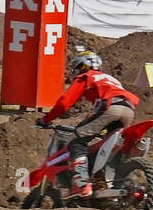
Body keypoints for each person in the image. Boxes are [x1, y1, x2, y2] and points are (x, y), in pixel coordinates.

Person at [35, 49, 139, 201]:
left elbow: (64, 103)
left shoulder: (86, 76)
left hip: (110, 106)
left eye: (75, 67)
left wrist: (46, 119)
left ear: (81, 66)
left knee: (76, 142)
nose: (74, 71)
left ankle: (82, 184)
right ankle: (103, 184)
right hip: (129, 110)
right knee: (107, 146)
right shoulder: (110, 79)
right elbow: (97, 111)